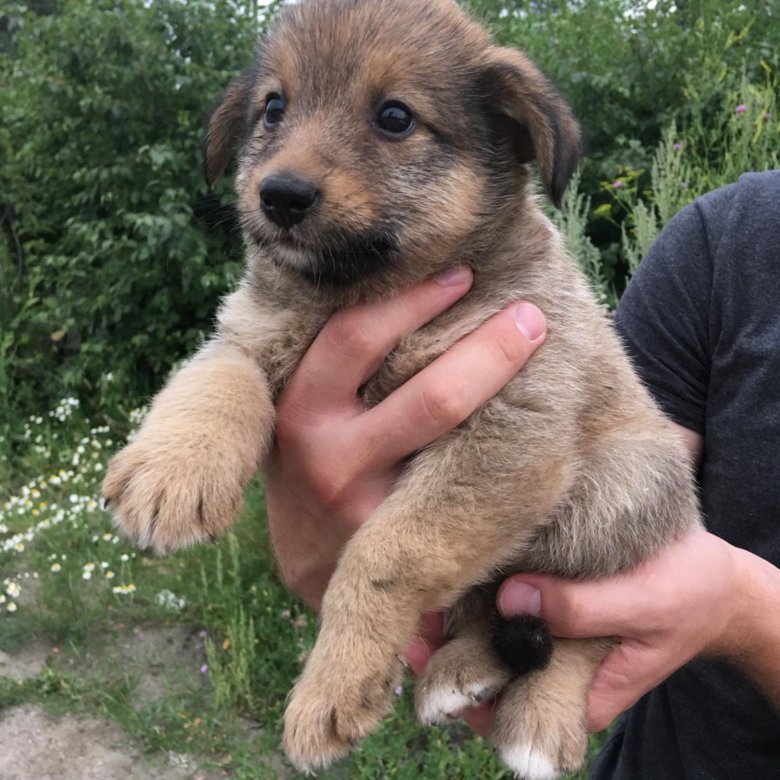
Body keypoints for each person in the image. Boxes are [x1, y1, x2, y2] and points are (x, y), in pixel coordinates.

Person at [264, 171, 780, 778]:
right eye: (272, 112)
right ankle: (497, 641)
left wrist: (747, 616)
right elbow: (619, 463)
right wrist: (329, 518)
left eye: (395, 120)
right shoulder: (728, 237)